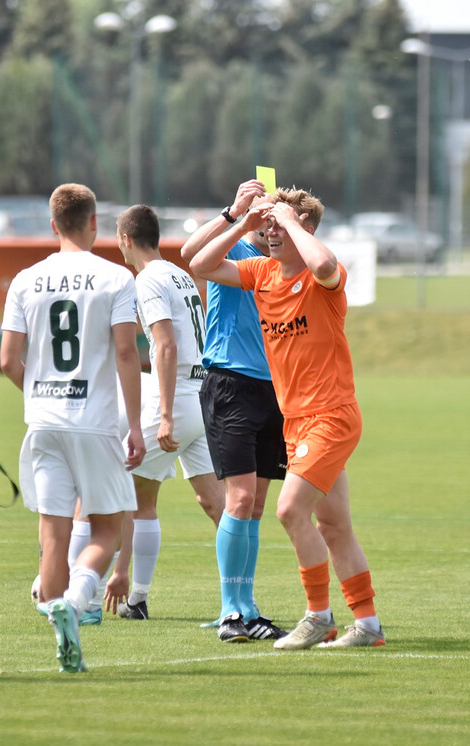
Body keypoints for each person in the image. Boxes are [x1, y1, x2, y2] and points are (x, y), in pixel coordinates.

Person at [190, 187, 386, 650]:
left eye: (280, 225)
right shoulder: (261, 272)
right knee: (333, 525)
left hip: (331, 416)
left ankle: (318, 616)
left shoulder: (323, 275)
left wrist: (291, 221)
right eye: (270, 226)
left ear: (306, 228)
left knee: (287, 510)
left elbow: (322, 266)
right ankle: (369, 625)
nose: (272, 232)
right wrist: (243, 221)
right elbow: (198, 265)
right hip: (294, 421)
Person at [0, 182, 145, 674]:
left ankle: (65, 645)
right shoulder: (115, 278)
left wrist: (40, 394)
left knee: (53, 534)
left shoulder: (25, 279)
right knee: (108, 528)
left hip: (42, 421)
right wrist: (137, 426)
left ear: (51, 224)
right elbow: (127, 352)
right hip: (93, 420)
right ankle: (79, 600)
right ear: (94, 223)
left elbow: (6, 360)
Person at [98, 204, 225, 622]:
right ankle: (238, 602)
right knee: (218, 506)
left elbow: (165, 346)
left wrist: (166, 414)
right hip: (204, 392)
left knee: (131, 497)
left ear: (127, 240)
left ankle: (121, 594)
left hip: (179, 397)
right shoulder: (178, 272)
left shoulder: (148, 279)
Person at [180, 180, 288, 643]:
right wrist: (235, 213)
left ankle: (248, 606)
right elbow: (190, 254)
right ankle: (229, 613)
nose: (270, 226)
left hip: (273, 390)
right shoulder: (236, 250)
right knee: (239, 500)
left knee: (256, 505)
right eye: (267, 218)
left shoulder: (282, 263)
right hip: (230, 384)